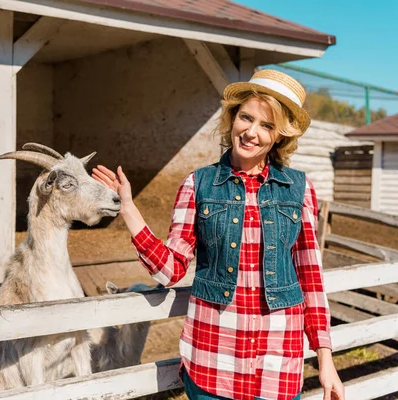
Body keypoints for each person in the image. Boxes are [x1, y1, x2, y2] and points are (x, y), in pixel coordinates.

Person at [92, 69, 344, 400]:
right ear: (232, 118)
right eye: (246, 117)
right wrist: (128, 208)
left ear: (280, 135)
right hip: (213, 361)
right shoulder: (198, 184)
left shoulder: (299, 189)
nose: (251, 132)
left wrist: (326, 360)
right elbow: (170, 269)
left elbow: (310, 279)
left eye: (266, 125)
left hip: (278, 364)